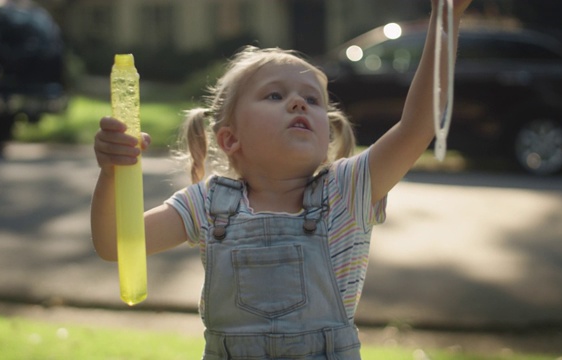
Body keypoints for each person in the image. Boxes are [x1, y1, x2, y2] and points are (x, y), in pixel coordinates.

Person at [91, 0, 473, 358]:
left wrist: (446, 18)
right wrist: (111, 174)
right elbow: (114, 245)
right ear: (230, 138)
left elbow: (417, 127)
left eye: (313, 99)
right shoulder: (206, 205)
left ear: (327, 136)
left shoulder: (347, 191)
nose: (298, 102)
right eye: (274, 96)